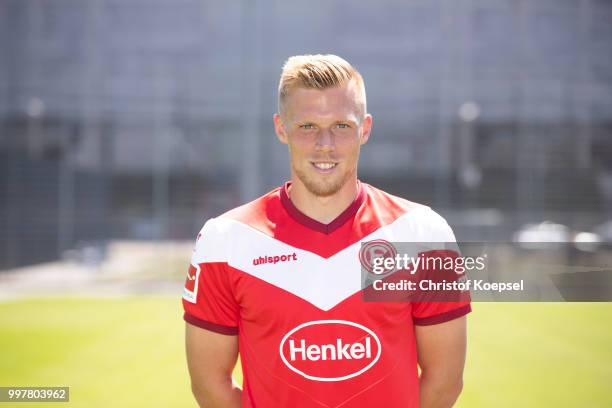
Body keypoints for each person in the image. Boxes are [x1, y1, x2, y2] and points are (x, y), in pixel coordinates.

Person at [183, 54, 470, 408]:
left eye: (341, 126)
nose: (325, 144)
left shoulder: (423, 235)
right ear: (280, 128)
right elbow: (210, 386)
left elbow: (444, 383)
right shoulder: (225, 240)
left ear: (364, 129)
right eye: (307, 127)